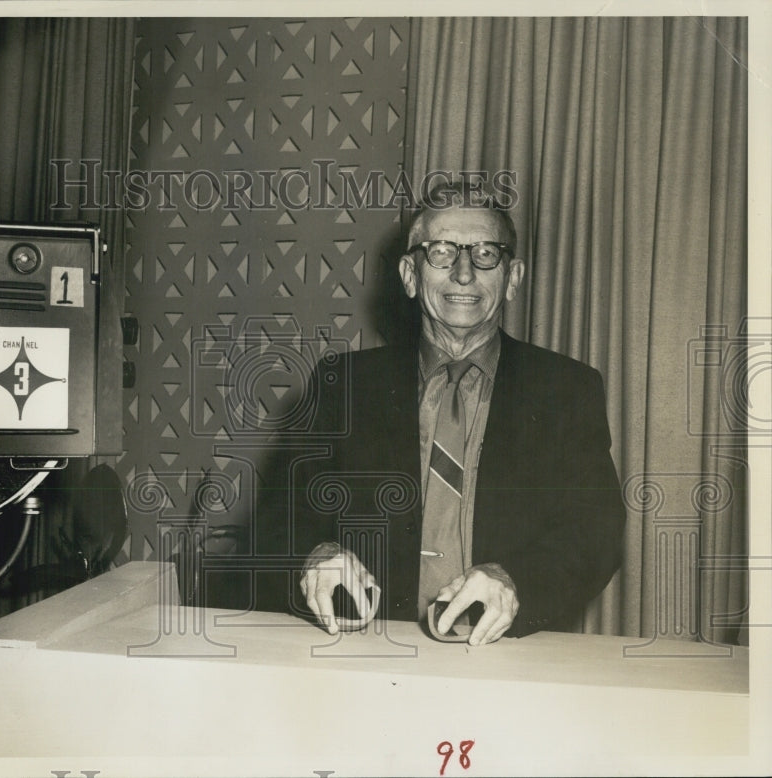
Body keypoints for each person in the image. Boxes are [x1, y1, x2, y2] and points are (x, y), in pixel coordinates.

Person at [250, 180, 625, 646]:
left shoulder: (567, 388)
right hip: (367, 648)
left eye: (486, 253)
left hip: (506, 649)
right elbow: (276, 518)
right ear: (410, 275)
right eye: (442, 252)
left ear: (512, 278)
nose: (464, 273)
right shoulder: (342, 384)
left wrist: (516, 581)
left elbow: (596, 531)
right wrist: (315, 555)